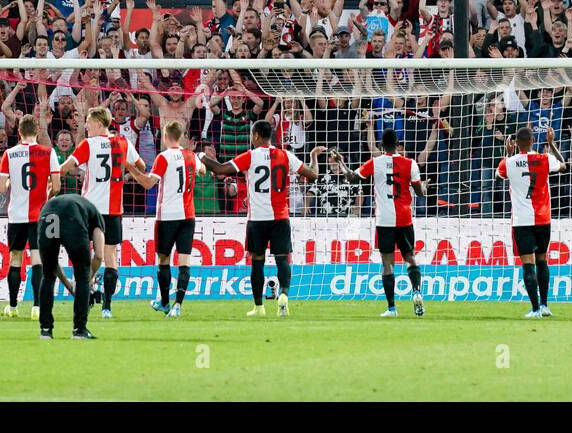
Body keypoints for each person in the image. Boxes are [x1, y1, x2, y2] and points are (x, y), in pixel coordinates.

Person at [199, 119, 321, 317]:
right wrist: (313, 157)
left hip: (257, 219)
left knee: (257, 261)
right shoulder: (285, 155)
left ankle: (258, 307)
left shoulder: (250, 156)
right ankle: (283, 295)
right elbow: (313, 175)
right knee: (283, 259)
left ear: (255, 136)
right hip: (281, 217)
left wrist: (202, 157)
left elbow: (220, 169)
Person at [58, 105, 145, 317]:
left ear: (98, 123)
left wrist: (54, 179)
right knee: (110, 257)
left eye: (88, 121)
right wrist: (124, 170)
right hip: (113, 209)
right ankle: (106, 307)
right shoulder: (123, 143)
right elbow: (141, 166)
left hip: (89, 209)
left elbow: (66, 166)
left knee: (84, 254)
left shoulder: (88, 144)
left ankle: (84, 289)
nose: (86, 126)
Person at [347, 128, 426, 318]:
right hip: (405, 217)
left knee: (387, 263)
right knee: (409, 257)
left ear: (382, 145)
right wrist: (424, 187)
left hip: (384, 219)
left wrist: (341, 162)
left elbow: (351, 177)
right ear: (398, 143)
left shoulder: (375, 163)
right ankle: (416, 291)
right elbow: (419, 192)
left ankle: (392, 308)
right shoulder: (410, 163)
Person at [0, 112, 61, 319]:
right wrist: (47, 193)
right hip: (40, 215)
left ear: (19, 132)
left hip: (16, 216)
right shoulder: (48, 152)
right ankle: (37, 307)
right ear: (38, 132)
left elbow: (0, 187)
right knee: (38, 260)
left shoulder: (9, 154)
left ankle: (13, 307)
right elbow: (57, 186)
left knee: (15, 259)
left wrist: (10, 183)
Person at [495, 125, 564, 318]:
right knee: (542, 260)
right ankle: (545, 305)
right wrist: (551, 144)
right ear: (533, 141)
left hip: (521, 220)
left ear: (515, 144)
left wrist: (508, 155)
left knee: (527, 264)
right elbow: (563, 164)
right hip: (543, 218)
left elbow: (498, 176)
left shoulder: (509, 163)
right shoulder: (544, 159)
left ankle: (534, 309)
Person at [145, 120, 199, 318]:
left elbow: (151, 182)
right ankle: (178, 305)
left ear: (165, 137)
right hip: (188, 215)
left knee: (164, 260)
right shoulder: (191, 156)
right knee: (184, 261)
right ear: (182, 136)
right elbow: (201, 170)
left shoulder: (163, 157)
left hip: (167, 216)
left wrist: (135, 173)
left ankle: (165, 303)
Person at [35, 192, 105, 339]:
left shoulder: (84, 206)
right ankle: (79, 330)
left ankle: (45, 330)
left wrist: (69, 284)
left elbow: (53, 266)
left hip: (46, 213)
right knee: (82, 275)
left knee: (47, 275)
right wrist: (87, 280)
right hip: (72, 216)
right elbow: (99, 255)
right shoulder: (97, 217)